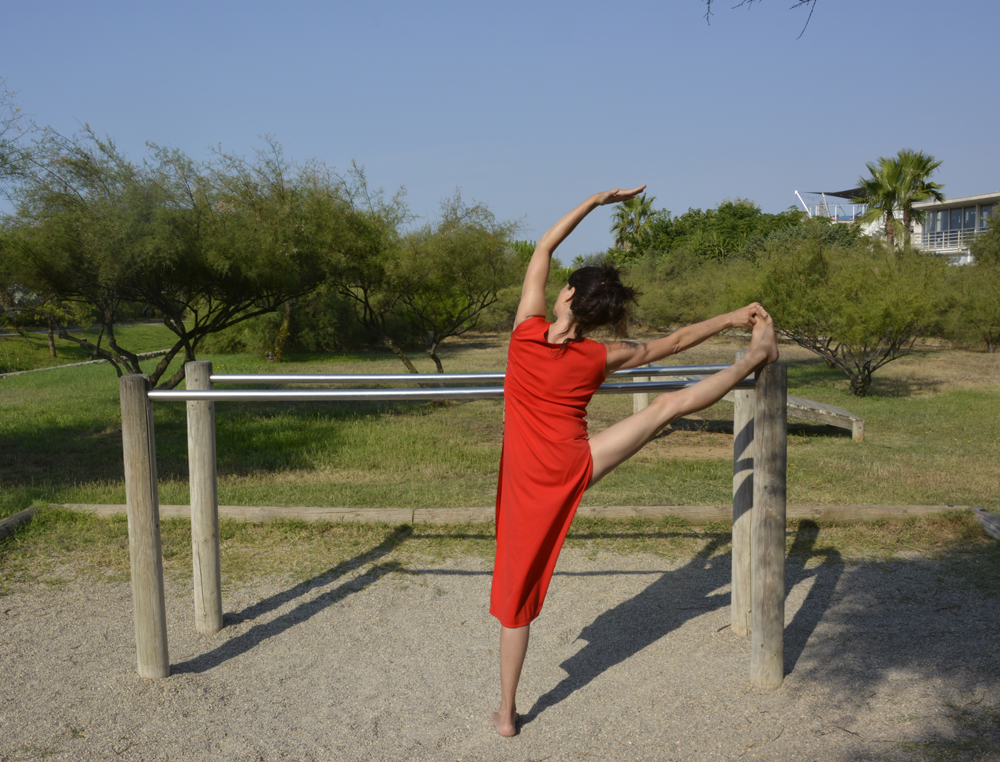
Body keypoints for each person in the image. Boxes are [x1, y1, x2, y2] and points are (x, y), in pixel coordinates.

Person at [490, 186, 779, 737]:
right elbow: (672, 344)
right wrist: (731, 317)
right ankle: (756, 355)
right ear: (600, 314)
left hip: (530, 481)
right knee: (667, 406)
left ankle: (506, 713)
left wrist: (595, 202)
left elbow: (542, 249)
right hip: (574, 463)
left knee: (515, 598)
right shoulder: (602, 355)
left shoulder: (524, 334)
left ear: (567, 293)